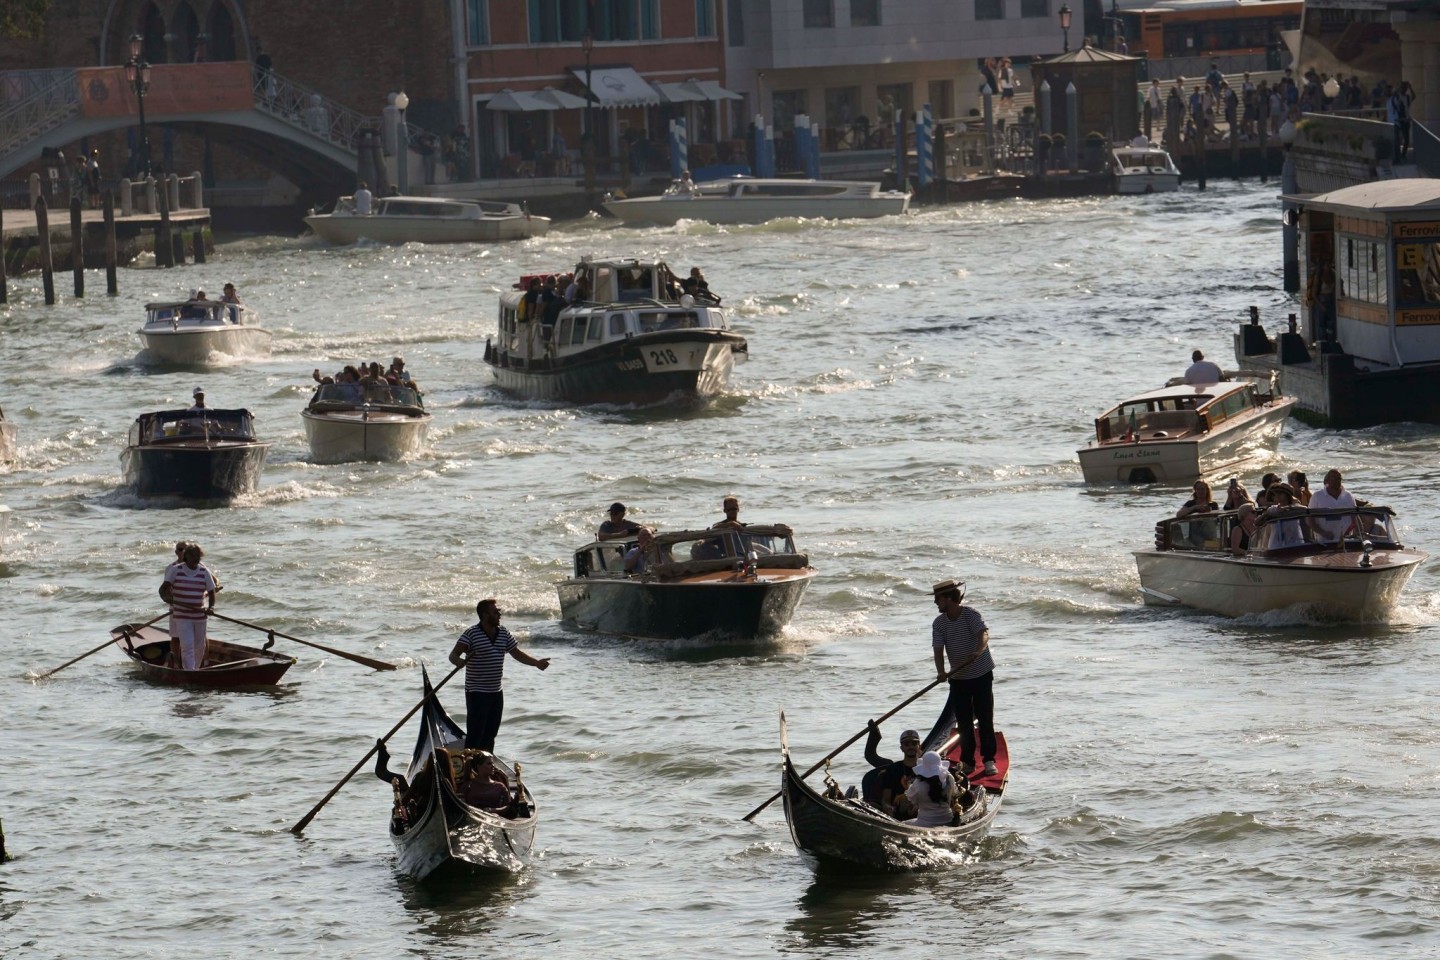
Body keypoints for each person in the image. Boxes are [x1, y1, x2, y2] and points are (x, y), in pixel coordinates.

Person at [447, 599, 551, 753]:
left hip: (496, 692)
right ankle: (470, 766)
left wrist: (536, 663)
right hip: (477, 692)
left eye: (498, 611)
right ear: (484, 615)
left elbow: (516, 653)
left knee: (490, 735)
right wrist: (459, 662)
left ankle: (486, 765)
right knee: (476, 735)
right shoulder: (472, 634)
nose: (499, 614)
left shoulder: (503, 633)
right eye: (495, 612)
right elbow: (453, 655)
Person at [931, 579, 997, 777]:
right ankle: (968, 762)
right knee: (963, 722)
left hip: (981, 674)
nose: (936, 603)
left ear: (949, 598)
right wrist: (941, 672)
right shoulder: (939, 623)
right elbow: (938, 649)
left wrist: (977, 651)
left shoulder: (970, 615)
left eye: (938, 599)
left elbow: (983, 634)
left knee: (985, 718)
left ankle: (988, 760)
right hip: (958, 678)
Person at [160, 543, 217, 670]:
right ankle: (189, 671)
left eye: (198, 556)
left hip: (200, 615)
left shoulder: (204, 571)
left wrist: (211, 607)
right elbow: (163, 589)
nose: (196, 559)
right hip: (182, 615)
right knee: (187, 645)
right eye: (194, 556)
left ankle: (194, 670)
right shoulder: (175, 570)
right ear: (187, 557)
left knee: (199, 647)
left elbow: (212, 592)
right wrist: (167, 598)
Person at [862, 722, 921, 818]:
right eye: (906, 744)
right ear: (901, 748)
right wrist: (887, 808)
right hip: (897, 813)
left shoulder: (926, 768)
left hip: (921, 813)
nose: (911, 746)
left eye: (914, 743)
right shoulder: (893, 769)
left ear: (919, 746)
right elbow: (886, 800)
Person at [903, 750, 958, 827]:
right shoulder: (949, 777)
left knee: (902, 824)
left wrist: (908, 786)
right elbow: (955, 793)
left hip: (925, 823)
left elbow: (910, 797)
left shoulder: (918, 783)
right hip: (948, 820)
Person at [1308, 468, 1357, 542]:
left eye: (1339, 478)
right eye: (1333, 478)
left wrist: (1357, 534)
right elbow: (1310, 520)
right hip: (1324, 541)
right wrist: (1323, 533)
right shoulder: (1317, 496)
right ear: (1326, 480)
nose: (1337, 480)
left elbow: (1355, 518)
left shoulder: (1348, 496)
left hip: (1346, 541)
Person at [1262, 483, 1306, 548]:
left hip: (1295, 544)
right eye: (1275, 494)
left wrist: (1289, 508)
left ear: (1287, 495)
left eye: (1280, 493)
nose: (1277, 496)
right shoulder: (1272, 509)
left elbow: (1305, 509)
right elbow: (1259, 520)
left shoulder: (1295, 508)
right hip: (1276, 546)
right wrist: (1268, 514)